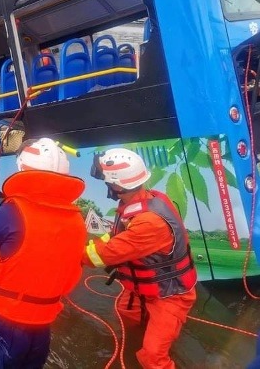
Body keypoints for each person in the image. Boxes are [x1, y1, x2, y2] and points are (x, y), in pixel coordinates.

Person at [0, 137, 87, 369]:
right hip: (42, 327)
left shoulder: (12, 210)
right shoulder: (76, 220)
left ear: (23, 168)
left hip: (2, 322)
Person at [83, 148, 198, 369]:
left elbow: (105, 254)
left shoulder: (149, 223)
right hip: (144, 290)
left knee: (152, 356)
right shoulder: (141, 202)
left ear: (117, 186)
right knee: (126, 316)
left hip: (170, 296)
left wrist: (72, 253)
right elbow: (118, 237)